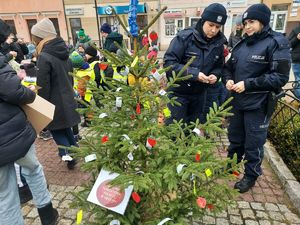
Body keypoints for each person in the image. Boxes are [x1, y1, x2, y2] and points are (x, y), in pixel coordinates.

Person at [223, 4, 291, 193]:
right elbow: (228, 68)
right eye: (245, 23)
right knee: (235, 138)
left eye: (251, 22)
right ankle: (231, 165)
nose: (247, 26)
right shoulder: (242, 44)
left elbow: (280, 77)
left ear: (262, 21)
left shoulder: (277, 42)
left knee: (254, 143)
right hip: (238, 102)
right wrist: (228, 80)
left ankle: (251, 175)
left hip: (259, 104)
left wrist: (248, 84)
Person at [0, 19, 58, 225]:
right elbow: (13, 90)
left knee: (4, 194)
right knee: (32, 169)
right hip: (12, 135)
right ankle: (47, 213)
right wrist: (30, 93)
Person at [163, 3, 227, 126]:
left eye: (218, 27)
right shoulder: (184, 37)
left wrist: (214, 74)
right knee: (174, 130)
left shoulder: (219, 43)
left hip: (200, 96)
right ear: (203, 21)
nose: (213, 30)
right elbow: (169, 64)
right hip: (178, 95)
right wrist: (194, 74)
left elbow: (219, 67)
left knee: (193, 129)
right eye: (211, 25)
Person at [31, 18, 81, 169]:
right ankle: (74, 150)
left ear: (40, 38)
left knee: (56, 130)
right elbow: (70, 78)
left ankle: (67, 156)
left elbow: (43, 86)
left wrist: (41, 108)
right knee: (65, 128)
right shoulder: (65, 53)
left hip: (54, 102)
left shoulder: (44, 57)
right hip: (67, 98)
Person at [288, 23, 300, 99]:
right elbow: (288, 44)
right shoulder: (296, 30)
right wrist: (297, 38)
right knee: (298, 81)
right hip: (298, 60)